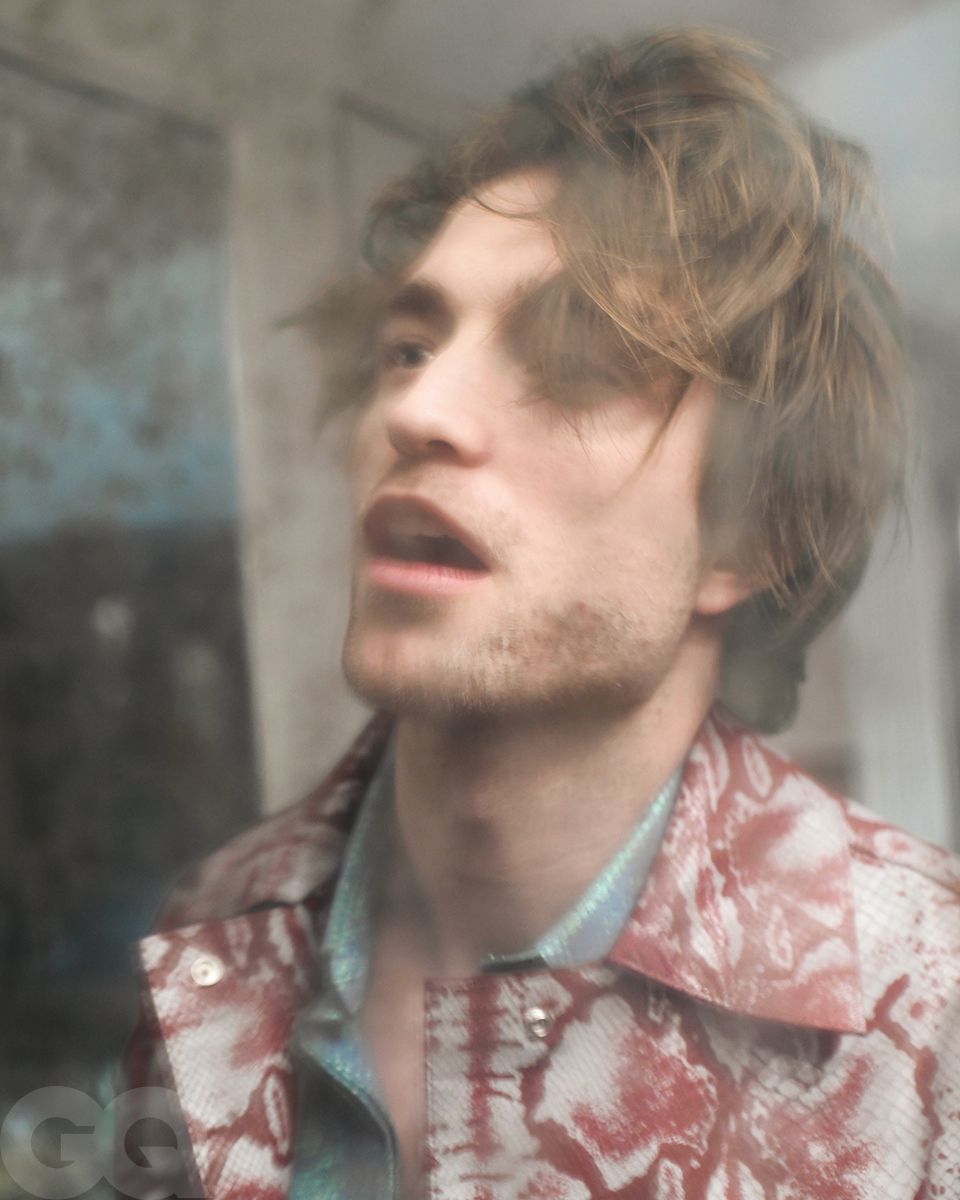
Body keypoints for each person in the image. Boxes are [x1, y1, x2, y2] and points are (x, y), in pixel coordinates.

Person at [121, 29, 960, 1200]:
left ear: (748, 535)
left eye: (574, 363)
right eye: (408, 346)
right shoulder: (215, 928)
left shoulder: (927, 1012)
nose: (419, 408)